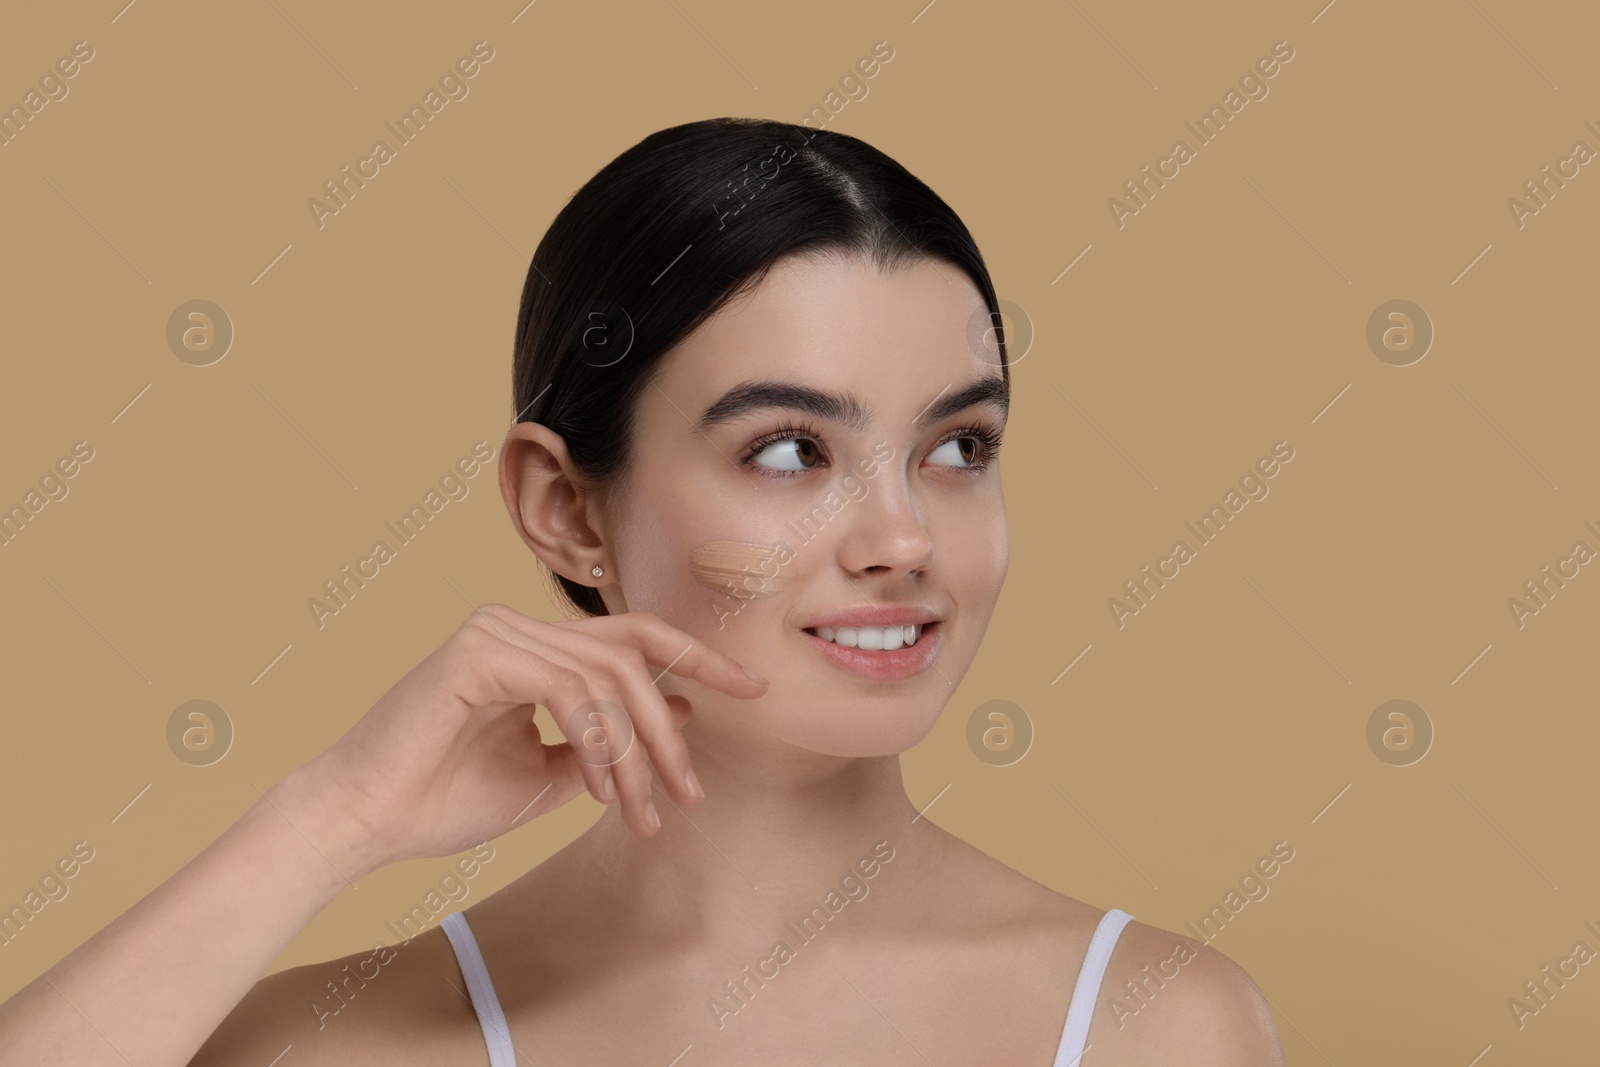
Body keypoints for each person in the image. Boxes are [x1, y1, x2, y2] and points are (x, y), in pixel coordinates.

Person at [0, 117, 1285, 1065]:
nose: (902, 537)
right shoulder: (349, 1043)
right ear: (566, 507)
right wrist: (332, 817)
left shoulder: (1150, 1022)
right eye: (791, 451)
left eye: (958, 448)